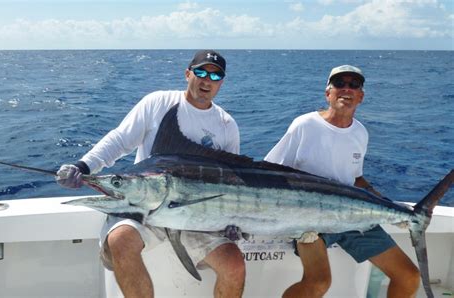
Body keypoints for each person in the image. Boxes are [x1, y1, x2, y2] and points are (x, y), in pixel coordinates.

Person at [56, 50, 245, 298]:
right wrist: (84, 166)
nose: (206, 80)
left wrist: (233, 220)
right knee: (121, 239)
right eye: (200, 72)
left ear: (221, 82)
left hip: (197, 217)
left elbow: (233, 182)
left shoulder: (226, 125)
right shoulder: (158, 102)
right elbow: (120, 140)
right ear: (188, 73)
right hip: (144, 209)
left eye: (215, 75)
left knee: (235, 265)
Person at [265, 65, 421, 298]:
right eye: (339, 84)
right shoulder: (304, 125)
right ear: (328, 93)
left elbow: (355, 178)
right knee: (318, 282)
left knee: (408, 276)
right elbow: (271, 170)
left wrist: (387, 204)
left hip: (351, 216)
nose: (346, 89)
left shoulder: (360, 133)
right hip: (309, 219)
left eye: (354, 85)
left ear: (361, 96)